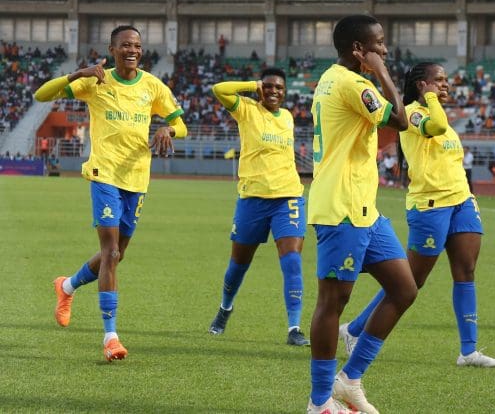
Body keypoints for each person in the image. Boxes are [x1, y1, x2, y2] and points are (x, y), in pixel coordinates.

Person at [34, 25, 187, 361]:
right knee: (110, 251)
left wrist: (167, 127)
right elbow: (41, 95)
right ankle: (110, 337)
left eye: (137, 45)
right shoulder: (96, 81)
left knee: (116, 255)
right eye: (125, 45)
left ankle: (67, 286)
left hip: (137, 178)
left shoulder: (152, 85)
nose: (132, 50)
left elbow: (182, 123)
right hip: (104, 174)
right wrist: (77, 73)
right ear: (112, 49)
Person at [339, 61, 495, 369]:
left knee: (466, 271)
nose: (445, 85)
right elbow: (437, 127)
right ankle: (353, 329)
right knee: (410, 281)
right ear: (421, 85)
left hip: (461, 202)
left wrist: (467, 196)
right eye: (438, 80)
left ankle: (468, 351)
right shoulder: (412, 112)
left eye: (445, 80)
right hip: (430, 206)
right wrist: (429, 97)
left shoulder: (437, 113)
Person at [306, 14, 417, 414]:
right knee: (332, 302)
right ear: (359, 49)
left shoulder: (335, 79)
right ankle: (319, 402)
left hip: (364, 209)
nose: (385, 50)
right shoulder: (352, 83)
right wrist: (382, 71)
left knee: (404, 289)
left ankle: (349, 381)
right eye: (379, 44)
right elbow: (401, 120)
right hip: (341, 209)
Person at [207, 68, 309, 347]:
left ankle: (294, 328)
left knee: (291, 260)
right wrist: (253, 85)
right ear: (261, 89)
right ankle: (225, 309)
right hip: (252, 199)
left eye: (279, 88)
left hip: (288, 197)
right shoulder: (247, 109)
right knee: (238, 265)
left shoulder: (288, 117)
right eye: (269, 86)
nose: (274, 91)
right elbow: (219, 89)